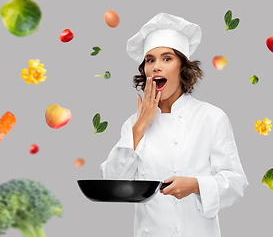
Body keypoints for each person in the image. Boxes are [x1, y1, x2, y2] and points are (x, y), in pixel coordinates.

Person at [100, 12, 248, 237]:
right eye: (150, 60)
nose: (156, 67)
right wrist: (141, 125)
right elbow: (112, 182)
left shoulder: (211, 117)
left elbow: (236, 183)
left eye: (167, 58)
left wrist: (196, 185)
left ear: (182, 68)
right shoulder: (133, 124)